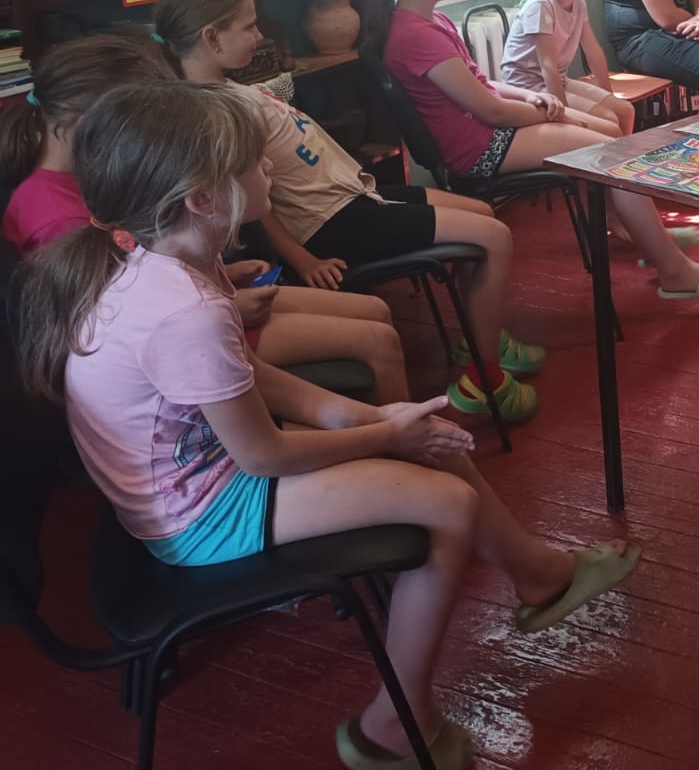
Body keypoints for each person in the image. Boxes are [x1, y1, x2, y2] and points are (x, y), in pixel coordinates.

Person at [14, 81, 641, 770]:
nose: (268, 169)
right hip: (198, 513)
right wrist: (385, 435)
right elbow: (262, 456)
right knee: (447, 502)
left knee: (428, 442)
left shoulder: (176, 262)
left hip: (200, 477)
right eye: (252, 164)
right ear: (202, 198)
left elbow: (249, 379)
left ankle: (538, 576)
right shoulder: (185, 310)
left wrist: (359, 415)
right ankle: (394, 727)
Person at [152, 0, 539, 423]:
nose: (259, 37)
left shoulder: (226, 91)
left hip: (355, 197)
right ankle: (483, 381)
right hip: (333, 220)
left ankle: (479, 336)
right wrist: (301, 259)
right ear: (211, 37)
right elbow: (251, 203)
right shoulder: (213, 110)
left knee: (483, 212)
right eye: (249, 26)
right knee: (494, 236)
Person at [0, 35, 410, 406]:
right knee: (376, 341)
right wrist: (227, 305)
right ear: (88, 120)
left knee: (374, 310)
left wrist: (224, 279)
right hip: (178, 339)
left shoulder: (91, 177)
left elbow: (139, 265)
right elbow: (119, 321)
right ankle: (395, 448)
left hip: (197, 303)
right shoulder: (53, 218)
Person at [365, 0, 699, 301]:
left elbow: (481, 83)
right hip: (479, 148)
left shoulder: (432, 21)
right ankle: (672, 269)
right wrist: (551, 112)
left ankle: (643, 235)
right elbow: (492, 112)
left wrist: (528, 98)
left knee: (612, 136)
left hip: (488, 132)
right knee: (615, 153)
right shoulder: (416, 36)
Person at [498, 0, 634, 138]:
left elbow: (594, 53)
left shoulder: (578, 2)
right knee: (608, 120)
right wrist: (565, 115)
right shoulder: (541, 6)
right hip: (528, 87)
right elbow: (548, 66)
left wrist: (609, 96)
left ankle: (624, 157)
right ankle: (598, 159)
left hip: (556, 80)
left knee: (625, 111)